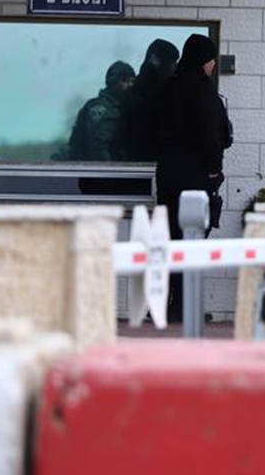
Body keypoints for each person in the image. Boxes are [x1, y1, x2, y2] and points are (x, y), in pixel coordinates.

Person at [154, 34, 231, 323]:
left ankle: (168, 303)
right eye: (211, 60)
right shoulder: (203, 92)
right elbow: (212, 135)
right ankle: (186, 307)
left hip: (168, 174)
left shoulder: (167, 88)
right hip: (196, 176)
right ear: (203, 61)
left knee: (170, 237)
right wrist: (214, 168)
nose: (212, 66)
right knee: (193, 239)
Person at [119, 38, 179, 161]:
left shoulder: (136, 89)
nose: (175, 67)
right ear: (163, 64)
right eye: (173, 62)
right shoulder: (153, 92)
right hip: (148, 161)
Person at [64, 60, 135, 161]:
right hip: (91, 168)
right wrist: (109, 173)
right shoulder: (101, 108)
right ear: (112, 82)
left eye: (132, 81)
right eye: (125, 81)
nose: (130, 85)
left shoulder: (121, 106)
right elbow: (98, 146)